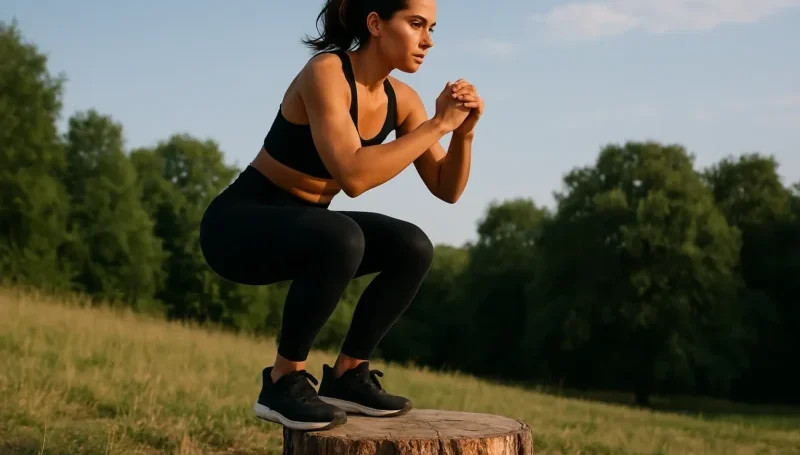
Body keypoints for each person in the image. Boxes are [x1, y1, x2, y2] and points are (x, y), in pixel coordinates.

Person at [199, 0, 483, 432]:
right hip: (238, 226)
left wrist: (464, 133)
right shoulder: (326, 72)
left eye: (432, 28)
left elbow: (447, 189)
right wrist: (438, 125)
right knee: (343, 236)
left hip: (309, 226)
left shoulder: (403, 101)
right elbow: (352, 174)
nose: (428, 40)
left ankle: (349, 374)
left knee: (413, 246)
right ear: (376, 24)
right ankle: (282, 381)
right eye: (416, 24)